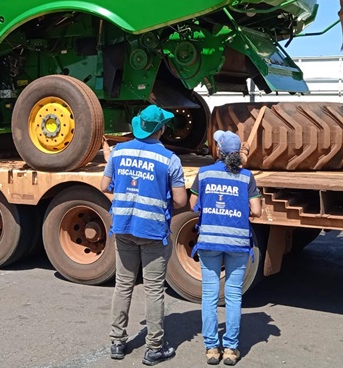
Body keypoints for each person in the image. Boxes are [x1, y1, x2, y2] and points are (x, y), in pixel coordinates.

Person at [100, 105, 187, 366]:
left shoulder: (119, 152)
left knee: (123, 285)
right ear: (161, 129)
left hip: (124, 227)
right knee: (153, 290)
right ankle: (154, 348)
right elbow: (181, 200)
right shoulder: (169, 159)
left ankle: (117, 342)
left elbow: (104, 186)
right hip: (152, 231)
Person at [189, 130, 262, 366]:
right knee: (233, 296)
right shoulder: (246, 177)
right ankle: (231, 348)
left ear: (218, 151)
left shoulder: (204, 173)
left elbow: (193, 205)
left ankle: (211, 348)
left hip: (209, 242)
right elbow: (257, 211)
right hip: (238, 245)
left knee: (209, 296)